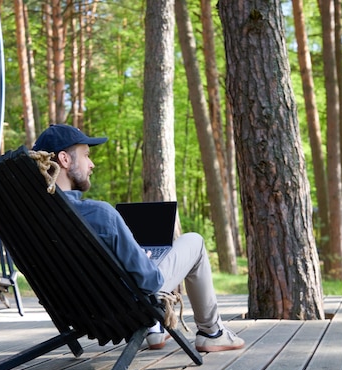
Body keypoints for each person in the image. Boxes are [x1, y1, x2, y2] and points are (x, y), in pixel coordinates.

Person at [32, 124, 244, 352]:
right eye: (86, 155)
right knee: (194, 241)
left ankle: (154, 330)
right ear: (64, 159)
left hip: (75, 310)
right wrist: (143, 261)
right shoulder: (99, 215)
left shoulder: (30, 221)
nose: (91, 164)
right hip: (124, 308)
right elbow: (151, 282)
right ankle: (212, 333)